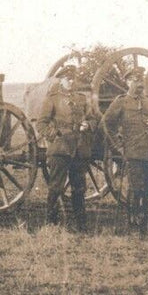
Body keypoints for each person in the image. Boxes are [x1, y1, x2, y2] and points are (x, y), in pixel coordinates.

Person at [102, 68, 148, 235]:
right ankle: (132, 225)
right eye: (134, 80)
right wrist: (118, 146)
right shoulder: (121, 102)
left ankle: (144, 226)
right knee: (135, 189)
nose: (139, 84)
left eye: (141, 81)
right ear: (127, 82)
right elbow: (106, 124)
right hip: (133, 153)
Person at [35, 65, 97, 230]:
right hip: (60, 149)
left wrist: (88, 124)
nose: (70, 81)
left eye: (72, 78)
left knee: (79, 188)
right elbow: (41, 123)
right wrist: (54, 136)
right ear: (61, 79)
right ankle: (51, 223)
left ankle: (81, 225)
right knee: (55, 187)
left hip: (79, 149)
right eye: (67, 78)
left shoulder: (81, 99)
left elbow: (92, 119)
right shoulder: (52, 98)